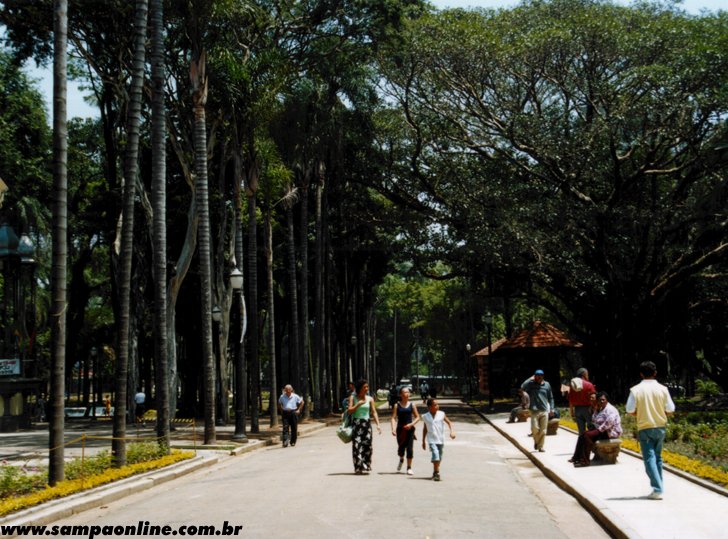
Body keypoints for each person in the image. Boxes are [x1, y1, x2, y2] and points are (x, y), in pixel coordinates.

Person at [626, 360, 675, 500]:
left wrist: (638, 412)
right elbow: (671, 409)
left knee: (649, 459)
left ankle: (657, 488)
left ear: (641, 374)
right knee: (658, 458)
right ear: (655, 373)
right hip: (660, 427)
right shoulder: (663, 389)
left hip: (645, 428)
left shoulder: (635, 390)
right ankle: (659, 486)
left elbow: (629, 409)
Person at [571, 391, 622, 467]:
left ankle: (585, 461)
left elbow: (609, 423)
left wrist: (597, 430)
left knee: (587, 436)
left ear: (607, 400)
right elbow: (594, 419)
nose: (601, 401)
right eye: (600, 400)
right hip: (602, 431)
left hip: (610, 432)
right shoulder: (600, 408)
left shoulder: (610, 409)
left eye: (603, 399)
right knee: (583, 435)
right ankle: (576, 457)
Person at [348, 379, 381, 474]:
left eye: (367, 387)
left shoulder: (370, 398)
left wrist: (378, 424)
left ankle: (366, 464)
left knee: (368, 445)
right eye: (365, 387)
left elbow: (374, 412)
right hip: (357, 424)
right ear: (360, 388)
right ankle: (358, 467)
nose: (367, 389)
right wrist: (358, 404)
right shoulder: (352, 398)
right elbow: (349, 411)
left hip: (366, 424)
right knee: (357, 446)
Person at [421, 398, 456, 481]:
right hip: (431, 440)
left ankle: (435, 471)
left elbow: (449, 423)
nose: (437, 406)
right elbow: (425, 428)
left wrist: (452, 432)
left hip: (440, 439)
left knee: (439, 457)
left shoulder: (442, 414)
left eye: (438, 404)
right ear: (429, 407)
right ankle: (437, 473)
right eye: (435, 404)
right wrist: (423, 441)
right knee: (436, 455)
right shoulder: (425, 416)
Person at [521, 369, 555, 452]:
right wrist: (530, 378)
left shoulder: (547, 385)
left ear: (543, 376)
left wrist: (552, 409)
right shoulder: (531, 384)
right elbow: (522, 387)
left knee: (543, 430)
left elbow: (551, 398)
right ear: (535, 376)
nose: (540, 377)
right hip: (534, 411)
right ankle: (536, 441)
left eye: (541, 375)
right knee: (534, 428)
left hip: (544, 410)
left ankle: (540, 446)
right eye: (537, 375)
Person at [390, 386, 420, 475]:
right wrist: (393, 429)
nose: (407, 394)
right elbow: (393, 418)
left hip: (410, 430)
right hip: (400, 430)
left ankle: (409, 467)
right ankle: (401, 459)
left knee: (410, 449)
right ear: (401, 394)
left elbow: (418, 417)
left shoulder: (412, 405)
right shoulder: (397, 405)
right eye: (405, 392)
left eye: (408, 392)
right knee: (401, 449)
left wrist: (411, 424)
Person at [568, 367, 597, 435]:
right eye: (587, 374)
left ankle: (582, 445)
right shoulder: (589, 384)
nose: (588, 376)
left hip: (577, 410)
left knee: (581, 432)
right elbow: (594, 398)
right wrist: (596, 409)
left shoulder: (572, 386)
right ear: (584, 374)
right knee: (592, 429)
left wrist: (572, 411)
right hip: (588, 409)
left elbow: (570, 400)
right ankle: (591, 445)